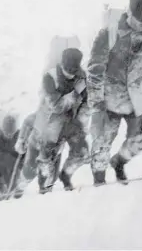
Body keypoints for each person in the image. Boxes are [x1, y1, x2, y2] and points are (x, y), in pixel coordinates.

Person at [87, 0, 142, 185]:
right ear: (129, 11)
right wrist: (96, 104)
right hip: (109, 101)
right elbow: (94, 71)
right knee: (101, 144)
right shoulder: (109, 33)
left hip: (137, 100)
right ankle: (99, 181)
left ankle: (119, 162)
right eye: (139, 19)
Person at [14, 48, 90, 197]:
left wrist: (81, 121)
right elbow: (56, 106)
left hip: (65, 127)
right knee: (31, 170)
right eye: (67, 69)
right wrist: (22, 139)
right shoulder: (50, 77)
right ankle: (20, 187)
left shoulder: (80, 76)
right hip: (43, 130)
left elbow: (87, 101)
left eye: (73, 70)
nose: (70, 73)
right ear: (62, 64)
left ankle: (59, 180)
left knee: (76, 155)